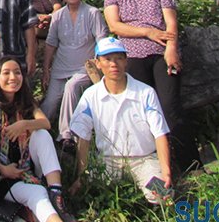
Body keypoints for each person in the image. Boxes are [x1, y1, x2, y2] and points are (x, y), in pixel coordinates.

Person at [0, 57, 107, 222]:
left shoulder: (24, 100)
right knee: (36, 192)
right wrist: (3, 169)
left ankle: (56, 194)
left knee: (42, 134)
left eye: (17, 72)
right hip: (0, 177)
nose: (13, 77)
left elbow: (44, 123)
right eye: (6, 73)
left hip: (25, 167)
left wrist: (24, 124)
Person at [103, 0, 200, 172]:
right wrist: (147, 32)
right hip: (131, 56)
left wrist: (172, 48)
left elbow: (171, 23)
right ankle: (153, 164)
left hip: (162, 53)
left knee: (170, 107)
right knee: (141, 111)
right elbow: (115, 26)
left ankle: (191, 166)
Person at [69, 37, 173, 205]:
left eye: (118, 58)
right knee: (87, 193)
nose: (113, 64)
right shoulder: (90, 95)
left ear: (126, 61)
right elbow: (83, 136)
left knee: (163, 196)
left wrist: (166, 172)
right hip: (108, 160)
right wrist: (81, 175)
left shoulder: (145, 93)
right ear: (98, 63)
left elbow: (160, 134)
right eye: (107, 59)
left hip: (144, 160)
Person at [41, 0, 108, 152]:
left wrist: (100, 63)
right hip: (60, 67)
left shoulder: (93, 13)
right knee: (49, 104)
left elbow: (101, 41)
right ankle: (35, 134)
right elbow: (51, 44)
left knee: (72, 87)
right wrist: (46, 70)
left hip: (84, 67)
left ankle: (66, 136)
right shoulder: (58, 16)